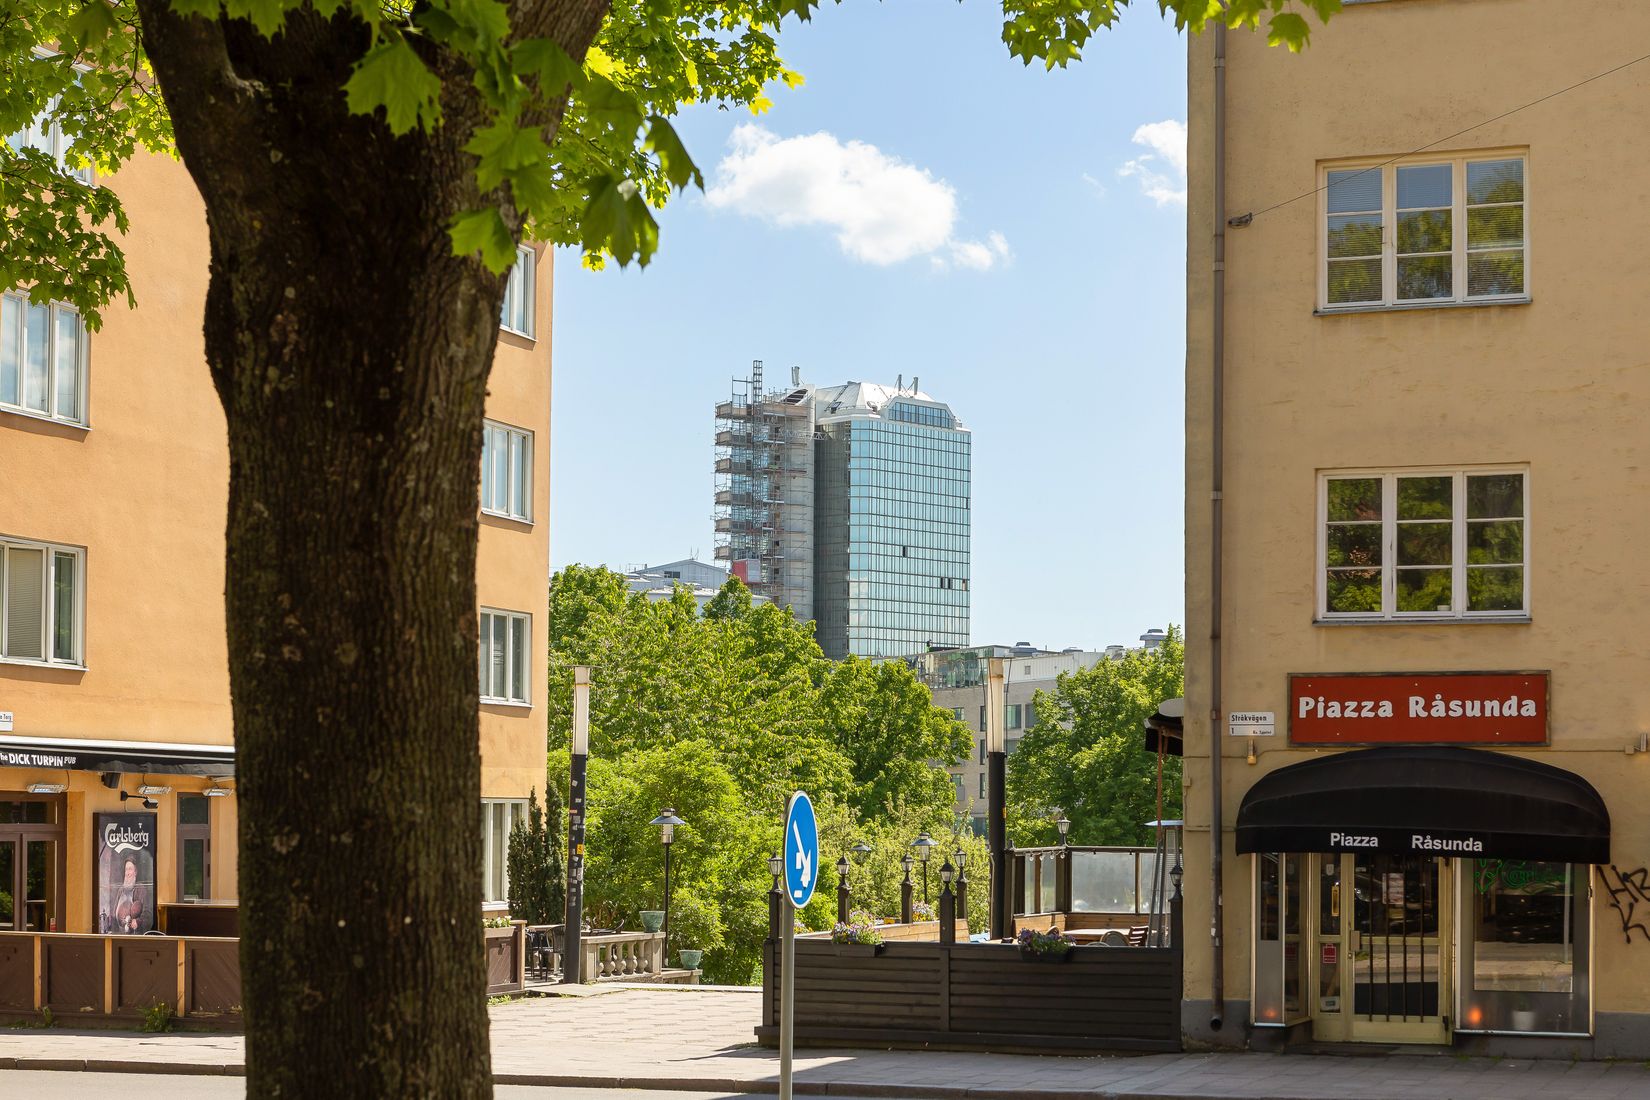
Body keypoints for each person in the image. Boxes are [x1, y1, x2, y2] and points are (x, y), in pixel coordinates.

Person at [112, 857, 147, 934]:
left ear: (135, 872)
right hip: (120, 933)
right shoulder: (121, 890)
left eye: (130, 869)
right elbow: (114, 912)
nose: (127, 873)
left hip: (135, 935)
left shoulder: (140, 889)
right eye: (126, 870)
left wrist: (138, 922)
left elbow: (148, 913)